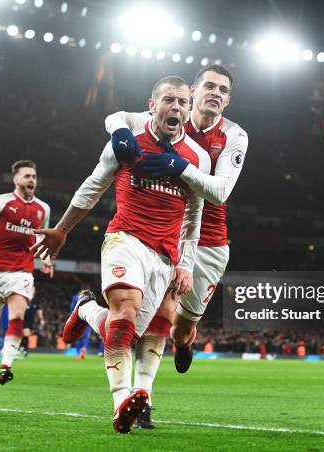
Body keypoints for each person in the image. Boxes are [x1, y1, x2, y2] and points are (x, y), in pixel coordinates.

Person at [71, 65, 247, 427]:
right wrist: (119, 129)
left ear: (228, 100)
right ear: (194, 91)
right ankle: (141, 399)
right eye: (209, 87)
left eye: (223, 90)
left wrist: (178, 166)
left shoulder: (232, 135)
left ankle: (179, 341)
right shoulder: (169, 111)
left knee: (179, 328)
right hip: (161, 237)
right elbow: (118, 117)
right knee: (143, 320)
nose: (215, 94)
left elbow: (220, 192)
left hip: (209, 243)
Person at [32, 76, 210, 433]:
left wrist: (186, 264)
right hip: (124, 239)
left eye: (183, 103)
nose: (176, 107)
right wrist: (62, 229)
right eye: (169, 100)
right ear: (152, 104)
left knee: (156, 324)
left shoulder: (197, 158)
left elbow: (194, 217)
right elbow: (93, 186)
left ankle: (88, 313)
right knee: (126, 310)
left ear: (189, 110)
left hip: (165, 254)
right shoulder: (127, 142)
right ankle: (121, 403)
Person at [0, 160, 53, 385]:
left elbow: (40, 235)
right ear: (16, 179)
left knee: (17, 317)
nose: (32, 180)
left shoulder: (43, 209)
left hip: (22, 272)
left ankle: (5, 366)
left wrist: (46, 258)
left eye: (34, 177)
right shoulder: (0, 203)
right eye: (27, 176)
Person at [70, 292, 90, 359]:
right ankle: (84, 348)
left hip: (78, 318)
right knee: (86, 335)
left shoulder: (75, 297)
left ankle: (78, 353)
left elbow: (72, 308)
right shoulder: (90, 297)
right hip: (87, 317)